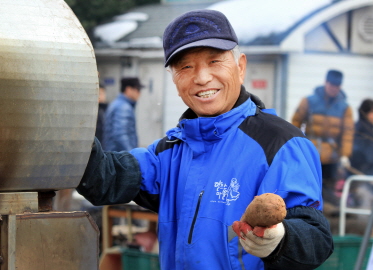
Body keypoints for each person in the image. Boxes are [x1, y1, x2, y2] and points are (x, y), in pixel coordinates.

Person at [77, 9, 333, 269]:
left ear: (240, 67)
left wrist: (281, 239)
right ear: (175, 81)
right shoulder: (170, 152)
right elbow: (104, 179)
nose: (201, 78)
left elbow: (317, 239)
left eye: (214, 61)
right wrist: (64, 124)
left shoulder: (282, 144)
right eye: (186, 67)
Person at [292, 69, 354, 207]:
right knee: (309, 185)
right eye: (331, 85)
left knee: (329, 186)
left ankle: (328, 215)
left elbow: (347, 133)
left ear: (340, 87)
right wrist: (296, 146)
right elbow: (295, 123)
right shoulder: (308, 101)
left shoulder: (345, 108)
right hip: (311, 152)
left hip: (332, 156)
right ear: (325, 83)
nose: (333, 88)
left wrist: (345, 155)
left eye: (336, 86)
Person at [103, 77, 143, 151]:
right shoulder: (123, 107)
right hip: (119, 157)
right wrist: (132, 155)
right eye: (138, 89)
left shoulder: (119, 104)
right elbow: (120, 134)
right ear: (128, 90)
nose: (139, 93)